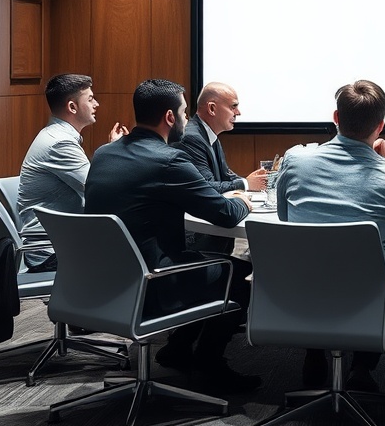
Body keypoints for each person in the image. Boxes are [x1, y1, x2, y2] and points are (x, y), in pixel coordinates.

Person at [85, 79, 260, 392]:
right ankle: (209, 363)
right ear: (169, 117)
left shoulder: (103, 154)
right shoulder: (168, 161)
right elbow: (224, 213)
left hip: (102, 282)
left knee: (217, 264)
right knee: (242, 274)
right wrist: (242, 200)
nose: (187, 120)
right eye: (183, 113)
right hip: (150, 283)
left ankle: (179, 349)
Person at [276, 79, 385, 392]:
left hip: (297, 299)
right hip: (368, 305)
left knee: (315, 269)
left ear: (336, 117)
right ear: (381, 125)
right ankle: (360, 369)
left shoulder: (294, 162)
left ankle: (314, 352)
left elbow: (285, 220)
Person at [17, 73, 127, 271]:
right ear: (72, 107)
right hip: (51, 252)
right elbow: (99, 190)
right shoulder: (60, 143)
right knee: (135, 256)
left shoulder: (56, 136)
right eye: (91, 99)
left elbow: (94, 181)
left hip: (61, 242)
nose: (97, 104)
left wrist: (112, 149)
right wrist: (115, 152)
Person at [174, 81, 266, 255]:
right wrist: (246, 184)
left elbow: (225, 175)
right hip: (199, 240)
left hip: (213, 232)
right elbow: (206, 186)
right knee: (255, 262)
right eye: (233, 107)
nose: (238, 112)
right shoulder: (192, 138)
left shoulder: (209, 134)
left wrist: (250, 182)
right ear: (212, 109)